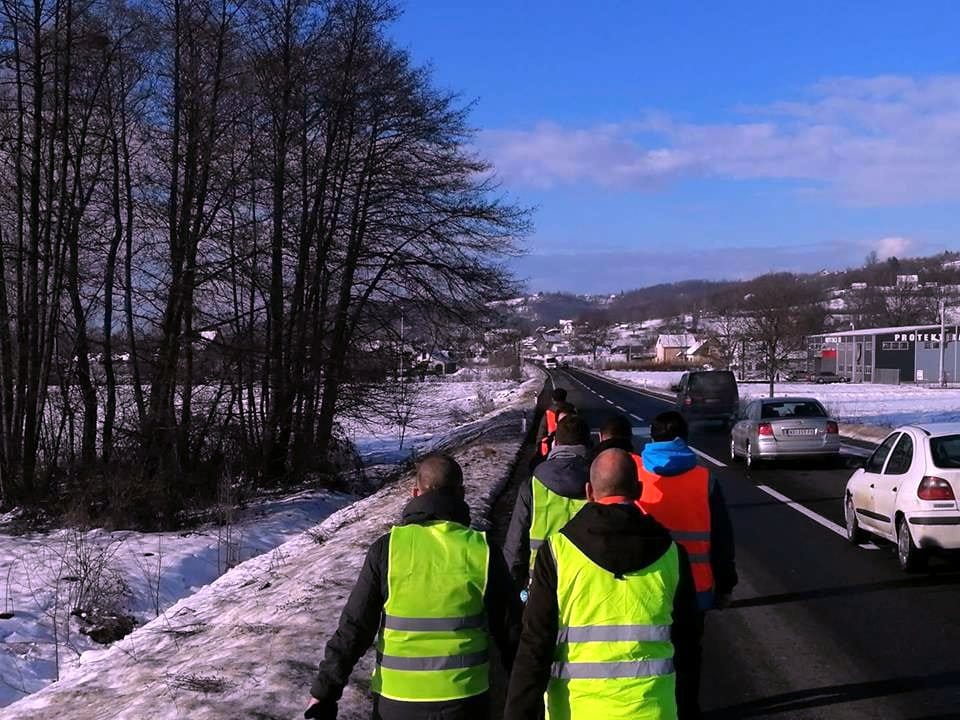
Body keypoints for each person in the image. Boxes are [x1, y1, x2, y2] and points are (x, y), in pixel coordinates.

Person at [306, 454, 522, 720]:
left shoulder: (387, 550)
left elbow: (355, 627)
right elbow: (512, 632)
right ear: (462, 494)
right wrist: (529, 693)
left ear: (415, 492)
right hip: (464, 702)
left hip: (397, 702)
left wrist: (324, 693)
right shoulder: (483, 551)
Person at [504, 449, 701, 720]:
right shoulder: (672, 555)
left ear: (588, 492)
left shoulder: (558, 553)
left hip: (577, 711)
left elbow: (535, 644)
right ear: (639, 489)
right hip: (654, 711)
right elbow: (688, 648)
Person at [637, 411, 738, 611]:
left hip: (646, 585)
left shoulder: (634, 476)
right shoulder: (706, 480)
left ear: (652, 438)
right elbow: (722, 539)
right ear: (684, 439)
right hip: (695, 586)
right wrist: (725, 586)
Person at [505, 414, 591, 589]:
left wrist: (511, 588)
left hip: (540, 579)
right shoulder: (600, 480)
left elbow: (515, 544)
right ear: (589, 443)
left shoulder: (532, 484)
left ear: (556, 444)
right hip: (587, 578)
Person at [535, 387, 571, 459]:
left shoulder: (549, 412)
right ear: (565, 398)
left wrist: (538, 449)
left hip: (552, 445)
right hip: (570, 444)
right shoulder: (572, 410)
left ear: (553, 399)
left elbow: (542, 431)